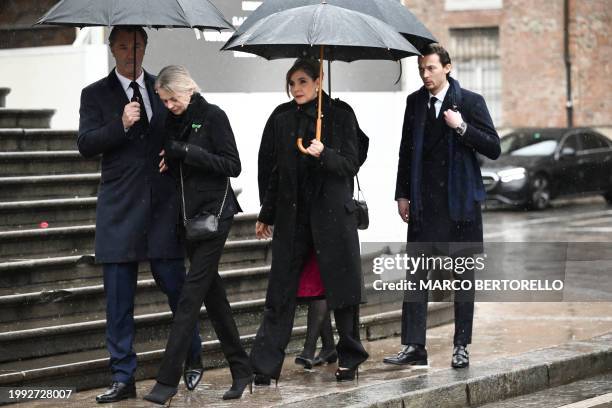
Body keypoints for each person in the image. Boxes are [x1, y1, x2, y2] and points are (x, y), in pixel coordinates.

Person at [77, 27, 202, 404]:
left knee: (178, 291)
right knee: (118, 302)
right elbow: (85, 144)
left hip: (162, 209)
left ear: (145, 46)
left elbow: (196, 123)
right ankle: (122, 377)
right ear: (112, 48)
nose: (131, 51)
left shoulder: (163, 87)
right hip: (119, 211)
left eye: (137, 44)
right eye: (123, 45)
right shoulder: (95, 94)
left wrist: (178, 149)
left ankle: (192, 358)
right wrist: (122, 124)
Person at [251, 58, 369, 384]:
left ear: (318, 81)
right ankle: (264, 367)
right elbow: (275, 170)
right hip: (293, 219)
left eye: (302, 82)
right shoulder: (282, 118)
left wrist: (325, 153)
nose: (296, 89)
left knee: (343, 293)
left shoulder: (341, 114)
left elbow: (351, 162)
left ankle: (350, 358)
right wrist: (267, 212)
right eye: (292, 83)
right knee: (280, 293)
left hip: (333, 218)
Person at [383, 43, 500, 369]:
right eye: (422, 69)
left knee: (462, 279)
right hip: (424, 205)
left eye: (431, 68)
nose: (426, 74)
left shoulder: (470, 101)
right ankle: (414, 346)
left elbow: (494, 147)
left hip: (460, 206)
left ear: (447, 67)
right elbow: (406, 152)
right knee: (417, 277)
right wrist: (402, 194)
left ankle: (461, 345)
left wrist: (461, 127)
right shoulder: (415, 102)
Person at [143, 65, 252, 405]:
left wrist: (185, 152)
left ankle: (166, 382)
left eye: (172, 99)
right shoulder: (173, 121)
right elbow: (180, 165)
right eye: (164, 100)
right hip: (189, 221)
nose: (169, 105)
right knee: (214, 298)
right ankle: (242, 370)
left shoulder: (213, 116)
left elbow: (232, 165)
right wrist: (172, 160)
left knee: (190, 298)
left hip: (216, 218)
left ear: (187, 90)